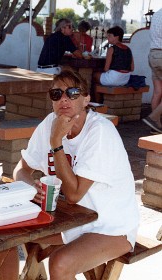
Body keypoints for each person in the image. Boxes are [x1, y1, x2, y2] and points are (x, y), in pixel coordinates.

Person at [11, 69, 139, 279]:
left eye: (72, 93)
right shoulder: (49, 123)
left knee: (60, 263)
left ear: (86, 99)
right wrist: (29, 186)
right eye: (56, 94)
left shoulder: (99, 131)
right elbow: (21, 169)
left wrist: (56, 143)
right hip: (71, 221)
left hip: (110, 225)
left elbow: (74, 194)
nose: (64, 99)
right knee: (5, 236)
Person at [142, 8, 162, 134]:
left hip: (153, 54)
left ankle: (156, 127)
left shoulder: (157, 14)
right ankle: (153, 118)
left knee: (158, 92)